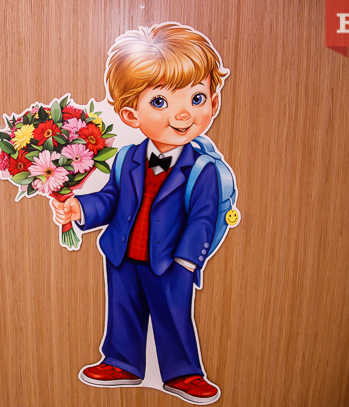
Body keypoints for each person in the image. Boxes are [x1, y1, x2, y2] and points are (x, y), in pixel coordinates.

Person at [51, 22, 229, 404]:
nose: (183, 114)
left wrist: (187, 261)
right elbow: (110, 199)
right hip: (123, 252)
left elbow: (203, 219)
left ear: (214, 103)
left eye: (197, 98)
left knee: (173, 315)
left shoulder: (202, 169)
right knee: (123, 310)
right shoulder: (127, 158)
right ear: (131, 116)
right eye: (161, 102)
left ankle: (183, 373)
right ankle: (121, 361)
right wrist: (79, 208)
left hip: (170, 260)